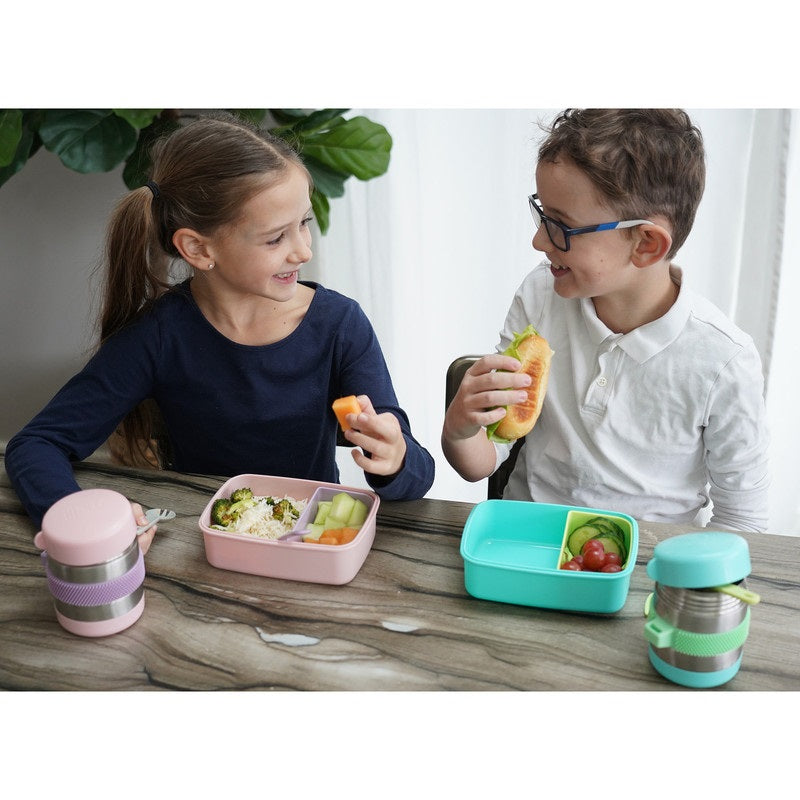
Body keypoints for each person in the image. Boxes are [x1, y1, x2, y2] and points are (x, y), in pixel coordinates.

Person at [6, 112, 435, 552]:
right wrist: (79, 522)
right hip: (199, 548)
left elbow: (417, 474)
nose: (303, 251)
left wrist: (395, 458)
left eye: (304, 223)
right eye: (276, 238)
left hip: (311, 550)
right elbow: (37, 444)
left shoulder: (340, 325)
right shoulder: (159, 336)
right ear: (198, 248)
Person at [442, 109, 769, 532]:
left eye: (561, 226)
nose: (539, 240)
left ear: (646, 244)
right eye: (542, 214)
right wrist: (459, 431)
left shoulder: (725, 361)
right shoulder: (541, 294)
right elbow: (487, 457)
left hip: (648, 557)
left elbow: (743, 522)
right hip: (527, 537)